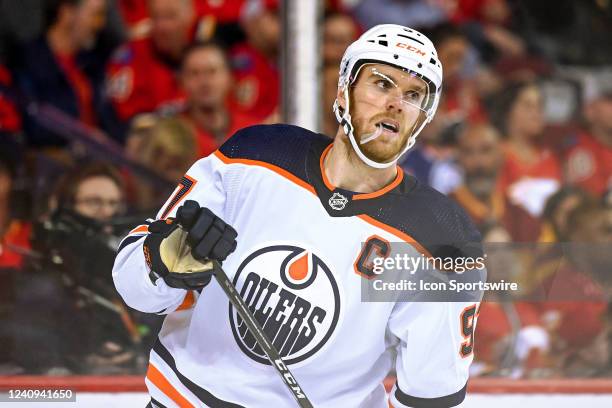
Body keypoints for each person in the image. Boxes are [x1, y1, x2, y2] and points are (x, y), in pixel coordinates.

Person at [114, 24, 483, 407]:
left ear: (423, 116)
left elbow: (431, 394)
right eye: (382, 83)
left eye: (413, 94)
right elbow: (134, 289)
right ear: (344, 90)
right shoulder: (255, 155)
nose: (396, 103)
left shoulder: (438, 237)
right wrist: (163, 262)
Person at [15, 0, 109, 147]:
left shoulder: (92, 63)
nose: (100, 24)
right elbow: (35, 126)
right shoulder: (29, 61)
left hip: (96, 161)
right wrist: (86, 136)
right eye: (95, 15)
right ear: (67, 13)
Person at [106, 0, 196, 123]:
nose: (162, 26)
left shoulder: (206, 55)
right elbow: (122, 121)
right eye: (156, 17)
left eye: (170, 16)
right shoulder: (130, 58)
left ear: (190, 15)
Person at [177, 41, 259, 158]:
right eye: (194, 73)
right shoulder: (171, 137)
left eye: (212, 72)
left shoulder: (252, 133)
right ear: (182, 82)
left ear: (230, 77)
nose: (204, 82)